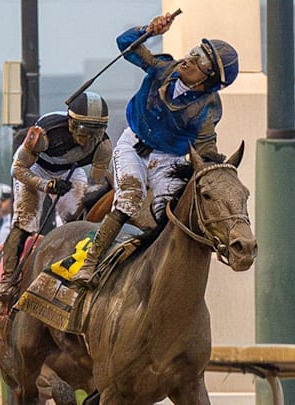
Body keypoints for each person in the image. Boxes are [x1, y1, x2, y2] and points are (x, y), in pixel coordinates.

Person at [70, 12, 239, 289]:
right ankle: (89, 264)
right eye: (195, 51)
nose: (190, 59)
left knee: (169, 213)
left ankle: (162, 276)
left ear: (208, 80)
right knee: (129, 199)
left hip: (167, 159)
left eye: (201, 60)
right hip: (132, 145)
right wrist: (149, 30)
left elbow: (206, 147)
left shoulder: (208, 107)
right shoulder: (162, 67)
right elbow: (125, 43)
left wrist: (216, 168)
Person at [0, 92, 113, 301]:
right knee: (26, 222)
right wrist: (46, 185)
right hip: (34, 169)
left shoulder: (103, 145)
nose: (89, 140)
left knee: (77, 220)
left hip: (69, 171)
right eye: (85, 131)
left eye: (97, 131)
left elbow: (97, 179)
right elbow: (18, 169)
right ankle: (7, 280)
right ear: (71, 124)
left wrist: (105, 190)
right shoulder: (43, 133)